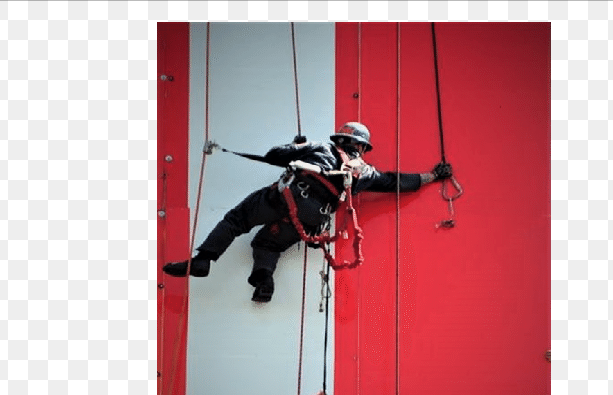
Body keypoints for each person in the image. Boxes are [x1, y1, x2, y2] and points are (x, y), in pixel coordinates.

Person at [162, 121, 454, 302]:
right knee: (267, 243)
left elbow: (273, 156)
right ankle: (264, 282)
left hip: (287, 197)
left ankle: (203, 260)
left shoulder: (318, 148)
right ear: (361, 147)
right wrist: (433, 175)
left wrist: (296, 144)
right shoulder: (364, 172)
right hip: (310, 219)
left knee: (237, 220)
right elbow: (396, 182)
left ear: (339, 138)